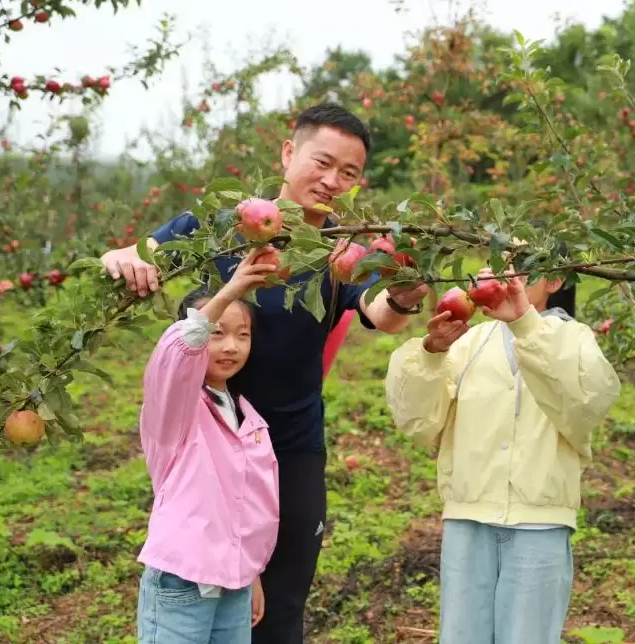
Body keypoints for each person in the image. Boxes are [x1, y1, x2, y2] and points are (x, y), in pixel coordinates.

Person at [102, 103, 429, 643]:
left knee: (281, 610)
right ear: (287, 153)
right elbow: (141, 256)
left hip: (293, 446)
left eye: (348, 174)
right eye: (322, 162)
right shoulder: (219, 229)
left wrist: (402, 294)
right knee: (210, 596)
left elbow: (381, 313)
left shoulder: (342, 251)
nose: (331, 181)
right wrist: (121, 257)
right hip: (210, 447)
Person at [385, 268, 621, 644]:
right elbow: (419, 422)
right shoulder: (468, 341)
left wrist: (526, 325)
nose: (514, 275)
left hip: (539, 522)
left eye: (529, 265)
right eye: (505, 263)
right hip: (469, 515)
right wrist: (432, 353)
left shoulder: (574, 340)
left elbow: (586, 404)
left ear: (556, 281)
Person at [137, 248, 280, 643]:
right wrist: (228, 292)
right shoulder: (175, 409)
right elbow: (178, 351)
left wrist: (249, 572)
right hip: (181, 583)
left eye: (242, 335)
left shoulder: (246, 415)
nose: (231, 346)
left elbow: (245, 505)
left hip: (233, 585)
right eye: (217, 333)